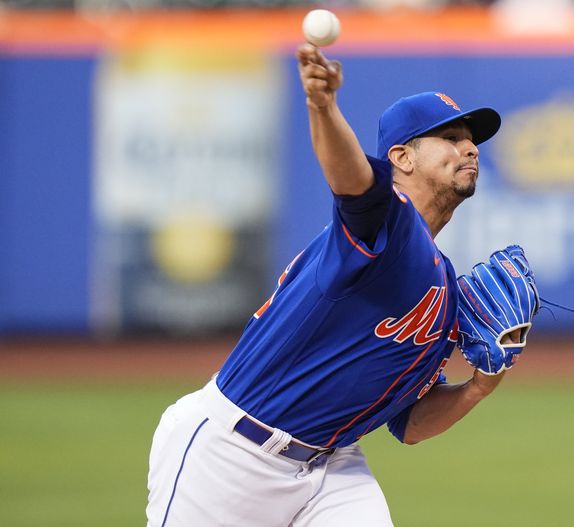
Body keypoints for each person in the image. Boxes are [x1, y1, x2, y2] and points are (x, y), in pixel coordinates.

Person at [145, 43, 528, 527]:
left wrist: (478, 388)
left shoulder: (445, 286)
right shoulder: (385, 221)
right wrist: (322, 106)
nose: (470, 148)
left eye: (470, 140)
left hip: (333, 466)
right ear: (401, 158)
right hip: (230, 456)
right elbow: (353, 182)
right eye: (450, 137)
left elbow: (410, 424)